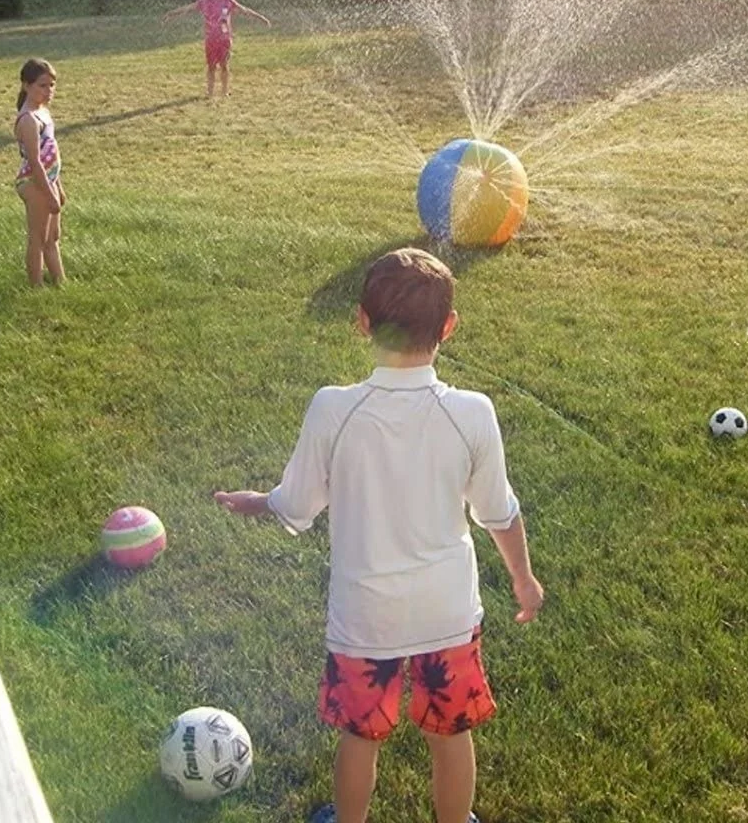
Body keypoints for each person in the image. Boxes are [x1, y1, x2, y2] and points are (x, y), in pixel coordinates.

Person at [213, 248, 543, 823]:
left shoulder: (332, 409)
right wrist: (524, 581)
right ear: (449, 327)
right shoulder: (473, 413)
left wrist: (261, 502)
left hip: (364, 617)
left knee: (360, 736)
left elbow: (298, 505)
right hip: (447, 613)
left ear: (362, 321)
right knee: (450, 732)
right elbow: (499, 513)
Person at [162, 0, 271, 97]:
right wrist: (171, 14)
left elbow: (245, 10)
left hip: (224, 39)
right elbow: (187, 8)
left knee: (224, 65)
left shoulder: (228, 2)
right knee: (211, 67)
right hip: (210, 40)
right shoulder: (203, 2)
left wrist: (261, 18)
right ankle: (210, 92)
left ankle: (225, 91)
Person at [13, 59, 65, 287]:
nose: (49, 91)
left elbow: (50, 155)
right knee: (38, 238)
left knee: (53, 237)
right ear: (26, 85)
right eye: (42, 86)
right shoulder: (28, 120)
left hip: (48, 180)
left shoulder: (43, 112)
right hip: (34, 182)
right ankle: (36, 287)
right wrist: (49, 194)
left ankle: (60, 282)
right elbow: (35, 162)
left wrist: (59, 187)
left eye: (52, 85)